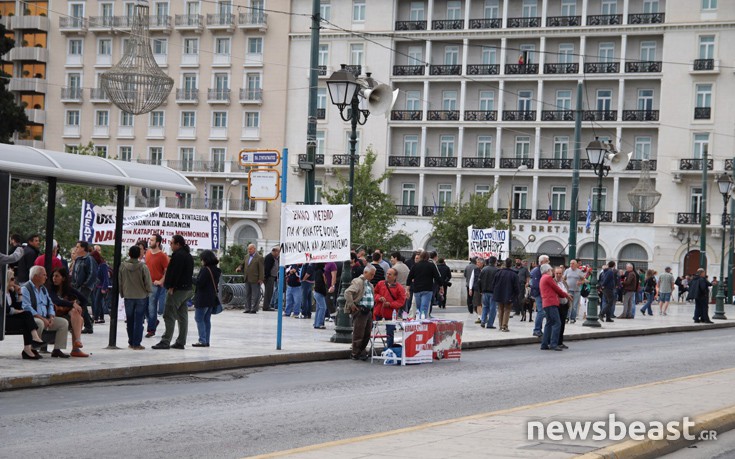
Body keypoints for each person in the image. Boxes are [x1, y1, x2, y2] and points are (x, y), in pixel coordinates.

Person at [152, 234, 194, 350]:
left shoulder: (178, 256)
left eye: (171, 243)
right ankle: (181, 341)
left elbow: (175, 273)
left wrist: (171, 286)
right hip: (187, 289)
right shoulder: (188, 255)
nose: (170, 245)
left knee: (169, 314)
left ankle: (165, 341)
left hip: (177, 290)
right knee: (182, 316)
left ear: (178, 244)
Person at [22, 266, 71, 358]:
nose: (46, 277)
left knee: (63, 323)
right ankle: (33, 349)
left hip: (46, 317)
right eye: (44, 275)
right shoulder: (26, 288)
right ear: (36, 276)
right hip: (33, 318)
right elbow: (26, 307)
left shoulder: (43, 289)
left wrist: (52, 317)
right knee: (39, 323)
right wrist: (42, 319)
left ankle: (57, 349)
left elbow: (50, 304)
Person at [48, 267, 90, 357]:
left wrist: (79, 308)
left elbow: (84, 300)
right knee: (79, 319)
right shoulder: (50, 289)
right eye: (53, 276)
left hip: (66, 314)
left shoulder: (68, 289)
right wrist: (72, 304)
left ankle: (77, 343)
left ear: (63, 278)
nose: (54, 278)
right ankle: (76, 347)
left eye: (57, 276)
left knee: (76, 313)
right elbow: (56, 301)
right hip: (54, 314)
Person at [5, 268, 46, 359]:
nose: (14, 280)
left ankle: (28, 349)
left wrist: (19, 294)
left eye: (14, 278)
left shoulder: (11, 292)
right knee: (27, 315)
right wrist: (19, 311)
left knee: (27, 317)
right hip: (3, 320)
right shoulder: (1, 292)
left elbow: (18, 306)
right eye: (12, 279)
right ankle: (33, 340)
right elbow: (6, 310)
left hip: (10, 318)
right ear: (6, 279)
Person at [118, 245, 153, 350]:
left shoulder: (122, 266)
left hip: (128, 295)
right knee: (139, 321)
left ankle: (131, 342)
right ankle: (137, 343)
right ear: (139, 255)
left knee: (130, 320)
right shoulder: (143, 267)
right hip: (141, 296)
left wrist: (122, 293)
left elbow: (120, 281)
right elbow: (147, 281)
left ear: (129, 254)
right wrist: (148, 291)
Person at [344, 264, 376, 360]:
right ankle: (355, 352)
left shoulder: (370, 284)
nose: (372, 277)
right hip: (360, 310)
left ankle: (361, 351)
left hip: (368, 311)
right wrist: (352, 305)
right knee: (359, 333)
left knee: (367, 333)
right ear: (365, 272)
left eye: (373, 275)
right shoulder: (358, 281)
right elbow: (347, 292)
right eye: (371, 274)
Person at [539, 263, 572, 351]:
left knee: (549, 323)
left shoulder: (542, 278)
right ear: (547, 271)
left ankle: (544, 344)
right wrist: (567, 295)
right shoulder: (548, 278)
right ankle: (554, 344)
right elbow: (557, 289)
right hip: (551, 303)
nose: (552, 272)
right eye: (551, 270)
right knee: (557, 323)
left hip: (546, 303)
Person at [192, 250, 221, 347]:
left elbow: (200, 283)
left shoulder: (205, 270)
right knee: (207, 320)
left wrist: (191, 278)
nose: (201, 261)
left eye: (202, 259)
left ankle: (202, 340)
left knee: (199, 318)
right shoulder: (216, 270)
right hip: (211, 298)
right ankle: (206, 340)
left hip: (203, 298)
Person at [373, 267, 406, 347]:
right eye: (387, 274)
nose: (387, 275)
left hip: (391, 314)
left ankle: (390, 349)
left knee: (390, 333)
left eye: (390, 274)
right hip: (378, 311)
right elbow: (374, 293)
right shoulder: (380, 283)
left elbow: (401, 301)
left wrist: (390, 304)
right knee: (370, 329)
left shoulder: (399, 288)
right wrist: (379, 298)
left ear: (395, 277)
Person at [407, 250, 443, 320]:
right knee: (424, 307)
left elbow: (409, 277)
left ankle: (419, 320)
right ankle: (422, 321)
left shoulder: (415, 266)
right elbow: (437, 277)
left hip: (417, 290)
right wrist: (441, 286)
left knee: (418, 307)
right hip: (427, 289)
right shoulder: (431, 265)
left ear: (420, 257)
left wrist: (407, 289)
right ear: (428, 257)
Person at [145, 234, 169, 338]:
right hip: (146, 283)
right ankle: (153, 321)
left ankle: (151, 329)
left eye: (152, 240)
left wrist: (160, 281)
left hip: (155, 285)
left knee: (151, 306)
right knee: (144, 306)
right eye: (150, 240)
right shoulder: (148, 253)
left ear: (157, 243)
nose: (149, 241)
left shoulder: (162, 256)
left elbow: (167, 271)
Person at [71, 240, 97, 333]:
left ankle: (87, 325)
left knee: (80, 304)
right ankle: (88, 322)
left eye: (78, 247)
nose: (76, 248)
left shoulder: (89, 259)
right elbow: (74, 273)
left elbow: (92, 273)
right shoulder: (78, 259)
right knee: (82, 306)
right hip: (77, 286)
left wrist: (86, 284)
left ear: (83, 248)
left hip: (85, 287)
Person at [493, 258, 520, 332]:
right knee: (507, 310)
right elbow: (516, 287)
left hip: (499, 294)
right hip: (509, 295)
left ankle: (500, 325)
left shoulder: (498, 273)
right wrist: (517, 294)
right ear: (511, 264)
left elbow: (494, 284)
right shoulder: (514, 274)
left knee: (500, 309)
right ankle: (504, 326)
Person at [239, 243, 264, 314]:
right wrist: (239, 267)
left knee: (255, 295)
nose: (249, 250)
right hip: (247, 278)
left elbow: (261, 269)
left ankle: (254, 309)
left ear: (254, 249)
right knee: (247, 294)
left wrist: (261, 279)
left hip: (255, 279)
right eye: (248, 249)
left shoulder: (259, 257)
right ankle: (247, 308)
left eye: (250, 249)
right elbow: (242, 264)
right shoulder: (246, 256)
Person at [531, 255, 550, 337]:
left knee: (542, 312)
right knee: (541, 312)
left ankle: (539, 329)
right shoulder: (536, 271)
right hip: (539, 294)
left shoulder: (542, 270)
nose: (548, 262)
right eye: (547, 261)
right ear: (542, 262)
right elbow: (535, 284)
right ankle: (537, 329)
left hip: (543, 293)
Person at [90, 250, 110, 324]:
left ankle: (95, 317)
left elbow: (105, 277)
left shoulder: (103, 265)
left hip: (101, 286)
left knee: (97, 302)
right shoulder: (97, 265)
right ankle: (101, 317)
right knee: (99, 302)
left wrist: (104, 287)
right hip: (97, 286)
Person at [553, 266, 570, 349]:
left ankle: (560, 342)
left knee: (563, 324)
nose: (558, 275)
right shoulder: (553, 282)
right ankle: (555, 342)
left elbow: (567, 290)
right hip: (557, 305)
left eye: (560, 273)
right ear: (554, 273)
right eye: (557, 273)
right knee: (557, 324)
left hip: (565, 305)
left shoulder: (564, 282)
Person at [479, 256, 498, 329]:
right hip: (493, 292)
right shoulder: (496, 270)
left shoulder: (484, 269)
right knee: (493, 309)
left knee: (485, 307)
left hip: (484, 291)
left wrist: (481, 290)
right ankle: (490, 324)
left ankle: (483, 321)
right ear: (495, 262)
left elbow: (479, 280)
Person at [563, 260, 584, 324]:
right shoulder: (567, 270)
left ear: (576, 264)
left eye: (573, 263)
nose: (571, 265)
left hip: (576, 290)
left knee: (574, 305)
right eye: (570, 263)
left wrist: (580, 282)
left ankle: (573, 318)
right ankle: (567, 317)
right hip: (569, 290)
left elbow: (583, 279)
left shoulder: (579, 271)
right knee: (569, 304)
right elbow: (563, 278)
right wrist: (565, 284)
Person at [312, 263, 330, 329]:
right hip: (319, 292)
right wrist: (324, 291)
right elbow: (320, 283)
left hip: (317, 292)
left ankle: (316, 323)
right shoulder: (320, 272)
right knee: (323, 307)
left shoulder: (317, 271)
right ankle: (319, 323)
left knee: (319, 308)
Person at [262, 247, 280, 312]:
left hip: (272, 277)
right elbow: (267, 268)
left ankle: (267, 305)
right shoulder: (269, 257)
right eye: (278, 252)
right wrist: (266, 277)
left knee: (270, 292)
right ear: (275, 251)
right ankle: (266, 307)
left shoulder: (275, 258)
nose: (279, 254)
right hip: (269, 277)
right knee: (268, 292)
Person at [468, 257, 484, 323]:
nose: (477, 264)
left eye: (478, 262)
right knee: (478, 304)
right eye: (477, 262)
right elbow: (471, 279)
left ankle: (484, 317)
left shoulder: (485, 270)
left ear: (482, 263)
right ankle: (479, 317)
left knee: (483, 304)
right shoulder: (475, 270)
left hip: (483, 289)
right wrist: (470, 289)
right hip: (477, 289)